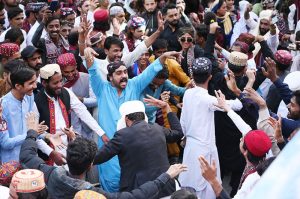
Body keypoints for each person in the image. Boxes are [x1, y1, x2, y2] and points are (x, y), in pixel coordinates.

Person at [84, 46, 181, 192]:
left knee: (133, 186)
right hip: (109, 148)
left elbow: (150, 71)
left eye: (125, 72)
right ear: (110, 77)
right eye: (118, 73)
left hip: (132, 149)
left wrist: (163, 57)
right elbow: (92, 72)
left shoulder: (134, 85)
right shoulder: (102, 89)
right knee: (111, 187)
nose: (124, 76)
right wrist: (87, 54)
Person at [20, 118, 188, 198]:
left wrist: (32, 132)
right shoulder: (96, 195)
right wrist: (166, 175)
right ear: (90, 165)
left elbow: (27, 156)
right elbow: (137, 196)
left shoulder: (48, 174)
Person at [178, 57, 243, 199]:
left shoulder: (187, 94)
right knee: (206, 189)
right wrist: (237, 91)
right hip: (204, 151)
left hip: (190, 148)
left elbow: (182, 122)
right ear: (210, 76)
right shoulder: (208, 100)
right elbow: (238, 105)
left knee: (188, 187)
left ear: (192, 75)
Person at [94, 98, 184, 198]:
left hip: (140, 193)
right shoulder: (157, 128)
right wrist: (167, 107)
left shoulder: (122, 135)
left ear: (126, 119)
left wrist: (79, 147)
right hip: (166, 189)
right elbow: (178, 133)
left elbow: (97, 157)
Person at [34, 64, 108, 166]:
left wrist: (101, 133)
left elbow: (83, 113)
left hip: (69, 147)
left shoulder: (66, 93)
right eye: (55, 83)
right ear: (44, 83)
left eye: (61, 81)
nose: (60, 85)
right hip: (49, 152)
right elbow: (34, 134)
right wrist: (52, 153)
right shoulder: (36, 101)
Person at [1, 64, 38, 163]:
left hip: (30, 158)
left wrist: (47, 136)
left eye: (35, 81)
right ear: (18, 86)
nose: (35, 86)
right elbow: (5, 143)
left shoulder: (29, 97)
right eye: (31, 83)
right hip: (11, 163)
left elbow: (30, 127)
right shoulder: (2, 106)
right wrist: (32, 133)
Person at [57, 53, 97, 139]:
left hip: (87, 128)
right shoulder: (57, 84)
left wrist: (80, 99)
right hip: (68, 130)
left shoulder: (87, 78)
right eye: (66, 72)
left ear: (76, 66)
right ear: (60, 70)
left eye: (72, 71)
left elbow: (95, 101)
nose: (70, 74)